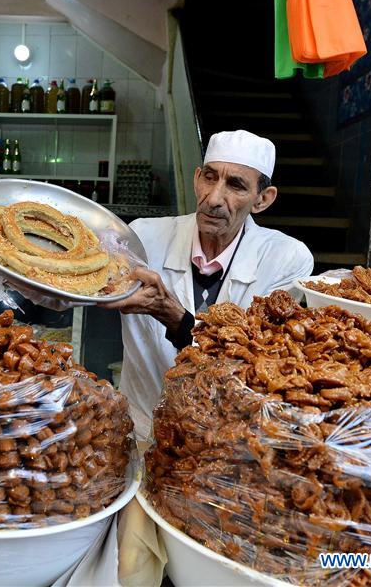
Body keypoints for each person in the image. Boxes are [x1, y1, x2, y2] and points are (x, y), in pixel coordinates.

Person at [100, 129, 314, 438]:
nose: (213, 198)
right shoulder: (144, 237)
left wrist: (177, 318)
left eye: (235, 185)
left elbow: (247, 363)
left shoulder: (286, 259)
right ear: (196, 177)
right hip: (140, 429)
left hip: (225, 438)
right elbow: (70, 291)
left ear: (262, 199)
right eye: (209, 178)